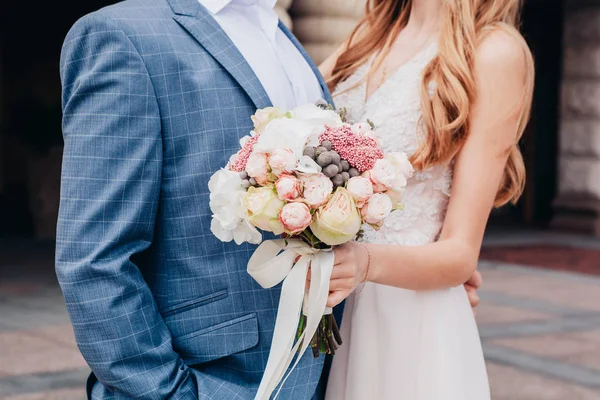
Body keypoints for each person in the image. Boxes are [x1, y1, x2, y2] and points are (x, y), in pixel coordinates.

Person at [56, 0, 483, 398]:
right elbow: (93, 260)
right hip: (210, 379)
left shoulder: (283, 38)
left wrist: (426, 270)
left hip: (330, 364)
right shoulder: (123, 36)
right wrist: (172, 392)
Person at [320, 0, 534, 399]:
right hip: (335, 310)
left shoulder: (493, 51)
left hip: (411, 323)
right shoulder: (367, 35)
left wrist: (362, 263)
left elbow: (459, 254)